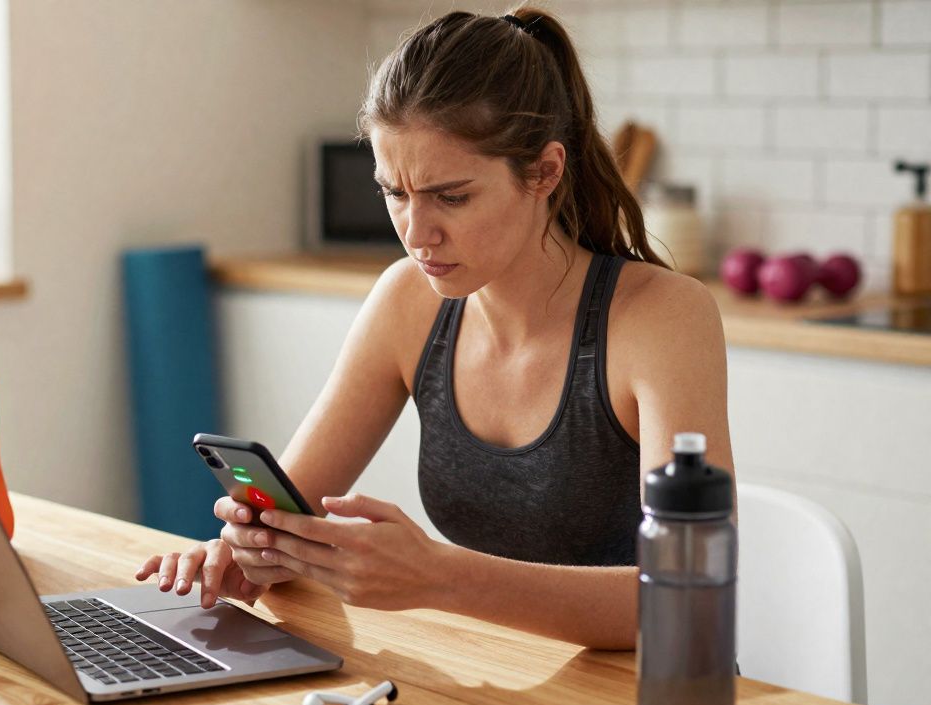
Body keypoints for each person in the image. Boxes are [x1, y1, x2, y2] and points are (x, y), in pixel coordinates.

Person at [136, 7, 733, 650]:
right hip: (498, 681)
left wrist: (438, 579)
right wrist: (247, 551)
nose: (416, 236)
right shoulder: (408, 301)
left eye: (451, 197)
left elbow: (690, 596)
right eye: (395, 193)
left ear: (545, 172)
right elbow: (289, 512)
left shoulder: (662, 317)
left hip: (653, 695)